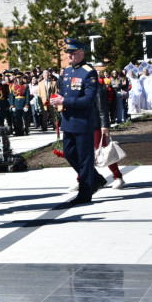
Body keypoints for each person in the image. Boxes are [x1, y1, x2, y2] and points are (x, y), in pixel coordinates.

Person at [51, 39, 105, 205]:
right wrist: (57, 99)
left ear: (82, 52)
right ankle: (95, 178)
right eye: (68, 52)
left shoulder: (89, 72)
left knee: (84, 158)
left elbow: (88, 100)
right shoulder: (67, 71)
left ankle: (85, 193)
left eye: (72, 52)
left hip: (82, 122)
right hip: (68, 121)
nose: (69, 55)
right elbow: (64, 92)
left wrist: (64, 101)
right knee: (68, 153)